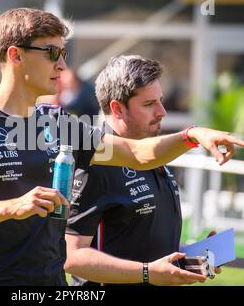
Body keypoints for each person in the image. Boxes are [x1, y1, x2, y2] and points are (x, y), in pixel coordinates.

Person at [0, 8, 244, 286]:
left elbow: (137, 154)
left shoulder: (56, 122)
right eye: (51, 53)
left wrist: (192, 136)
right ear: (15, 55)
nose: (62, 65)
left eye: (64, 54)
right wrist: (12, 207)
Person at [64, 55, 221, 286]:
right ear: (117, 108)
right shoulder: (97, 165)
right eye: (149, 104)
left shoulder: (154, 154)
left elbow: (142, 247)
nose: (162, 112)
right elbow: (72, 257)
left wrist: (192, 260)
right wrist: (147, 272)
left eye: (160, 100)